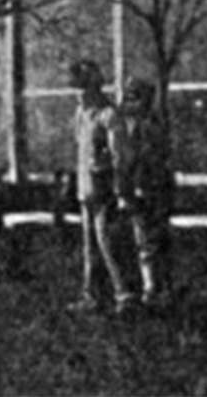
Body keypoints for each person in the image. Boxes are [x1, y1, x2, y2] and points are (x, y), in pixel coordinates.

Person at [65, 60, 135, 314]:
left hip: (105, 191)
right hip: (86, 189)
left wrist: (119, 189)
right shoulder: (81, 115)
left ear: (95, 88)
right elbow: (81, 148)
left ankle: (125, 295)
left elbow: (120, 157)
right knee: (90, 248)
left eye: (84, 88)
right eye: (77, 89)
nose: (79, 94)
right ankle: (92, 296)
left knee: (109, 245)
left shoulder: (109, 115)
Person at [119, 78, 174, 308]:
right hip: (144, 188)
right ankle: (153, 287)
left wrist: (137, 185)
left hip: (151, 188)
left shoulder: (148, 126)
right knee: (145, 239)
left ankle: (155, 289)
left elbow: (148, 159)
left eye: (134, 98)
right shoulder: (134, 125)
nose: (128, 103)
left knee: (150, 240)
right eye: (128, 98)